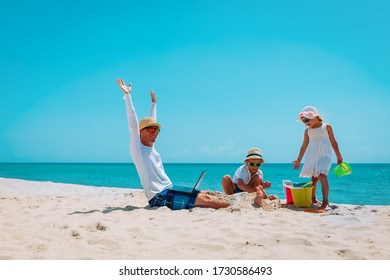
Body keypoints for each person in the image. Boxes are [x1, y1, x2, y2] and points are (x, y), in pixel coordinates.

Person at [116, 78, 229, 210]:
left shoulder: (152, 149)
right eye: (151, 130)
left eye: (157, 130)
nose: (155, 133)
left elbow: (152, 121)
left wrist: (154, 104)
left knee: (207, 193)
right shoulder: (138, 151)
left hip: (170, 188)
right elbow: (133, 125)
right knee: (209, 200)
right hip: (159, 197)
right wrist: (127, 96)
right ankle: (237, 207)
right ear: (141, 132)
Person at [292, 106, 343, 209]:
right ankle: (313, 198)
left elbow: (333, 141)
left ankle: (325, 201)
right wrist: (298, 160)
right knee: (314, 178)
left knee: (322, 175)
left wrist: (338, 155)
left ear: (315, 116)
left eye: (307, 119)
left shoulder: (326, 126)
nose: (306, 123)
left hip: (325, 155)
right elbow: (304, 146)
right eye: (303, 121)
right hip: (312, 155)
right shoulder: (307, 131)